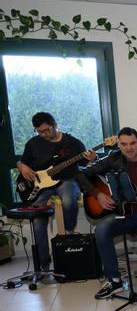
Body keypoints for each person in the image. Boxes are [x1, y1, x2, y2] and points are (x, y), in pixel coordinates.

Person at [80, 127, 137, 299]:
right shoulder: (112, 158)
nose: (129, 148)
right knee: (101, 230)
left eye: (133, 143)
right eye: (124, 144)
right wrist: (98, 194)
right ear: (118, 144)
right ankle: (114, 280)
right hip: (125, 215)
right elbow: (81, 175)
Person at [17, 111, 94, 276]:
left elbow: (86, 162)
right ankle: (44, 265)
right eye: (40, 132)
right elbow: (22, 161)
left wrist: (91, 158)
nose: (44, 134)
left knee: (68, 201)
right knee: (38, 223)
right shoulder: (33, 143)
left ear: (55, 125)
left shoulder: (72, 143)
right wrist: (21, 166)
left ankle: (67, 235)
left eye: (47, 130)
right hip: (41, 185)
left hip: (67, 180)